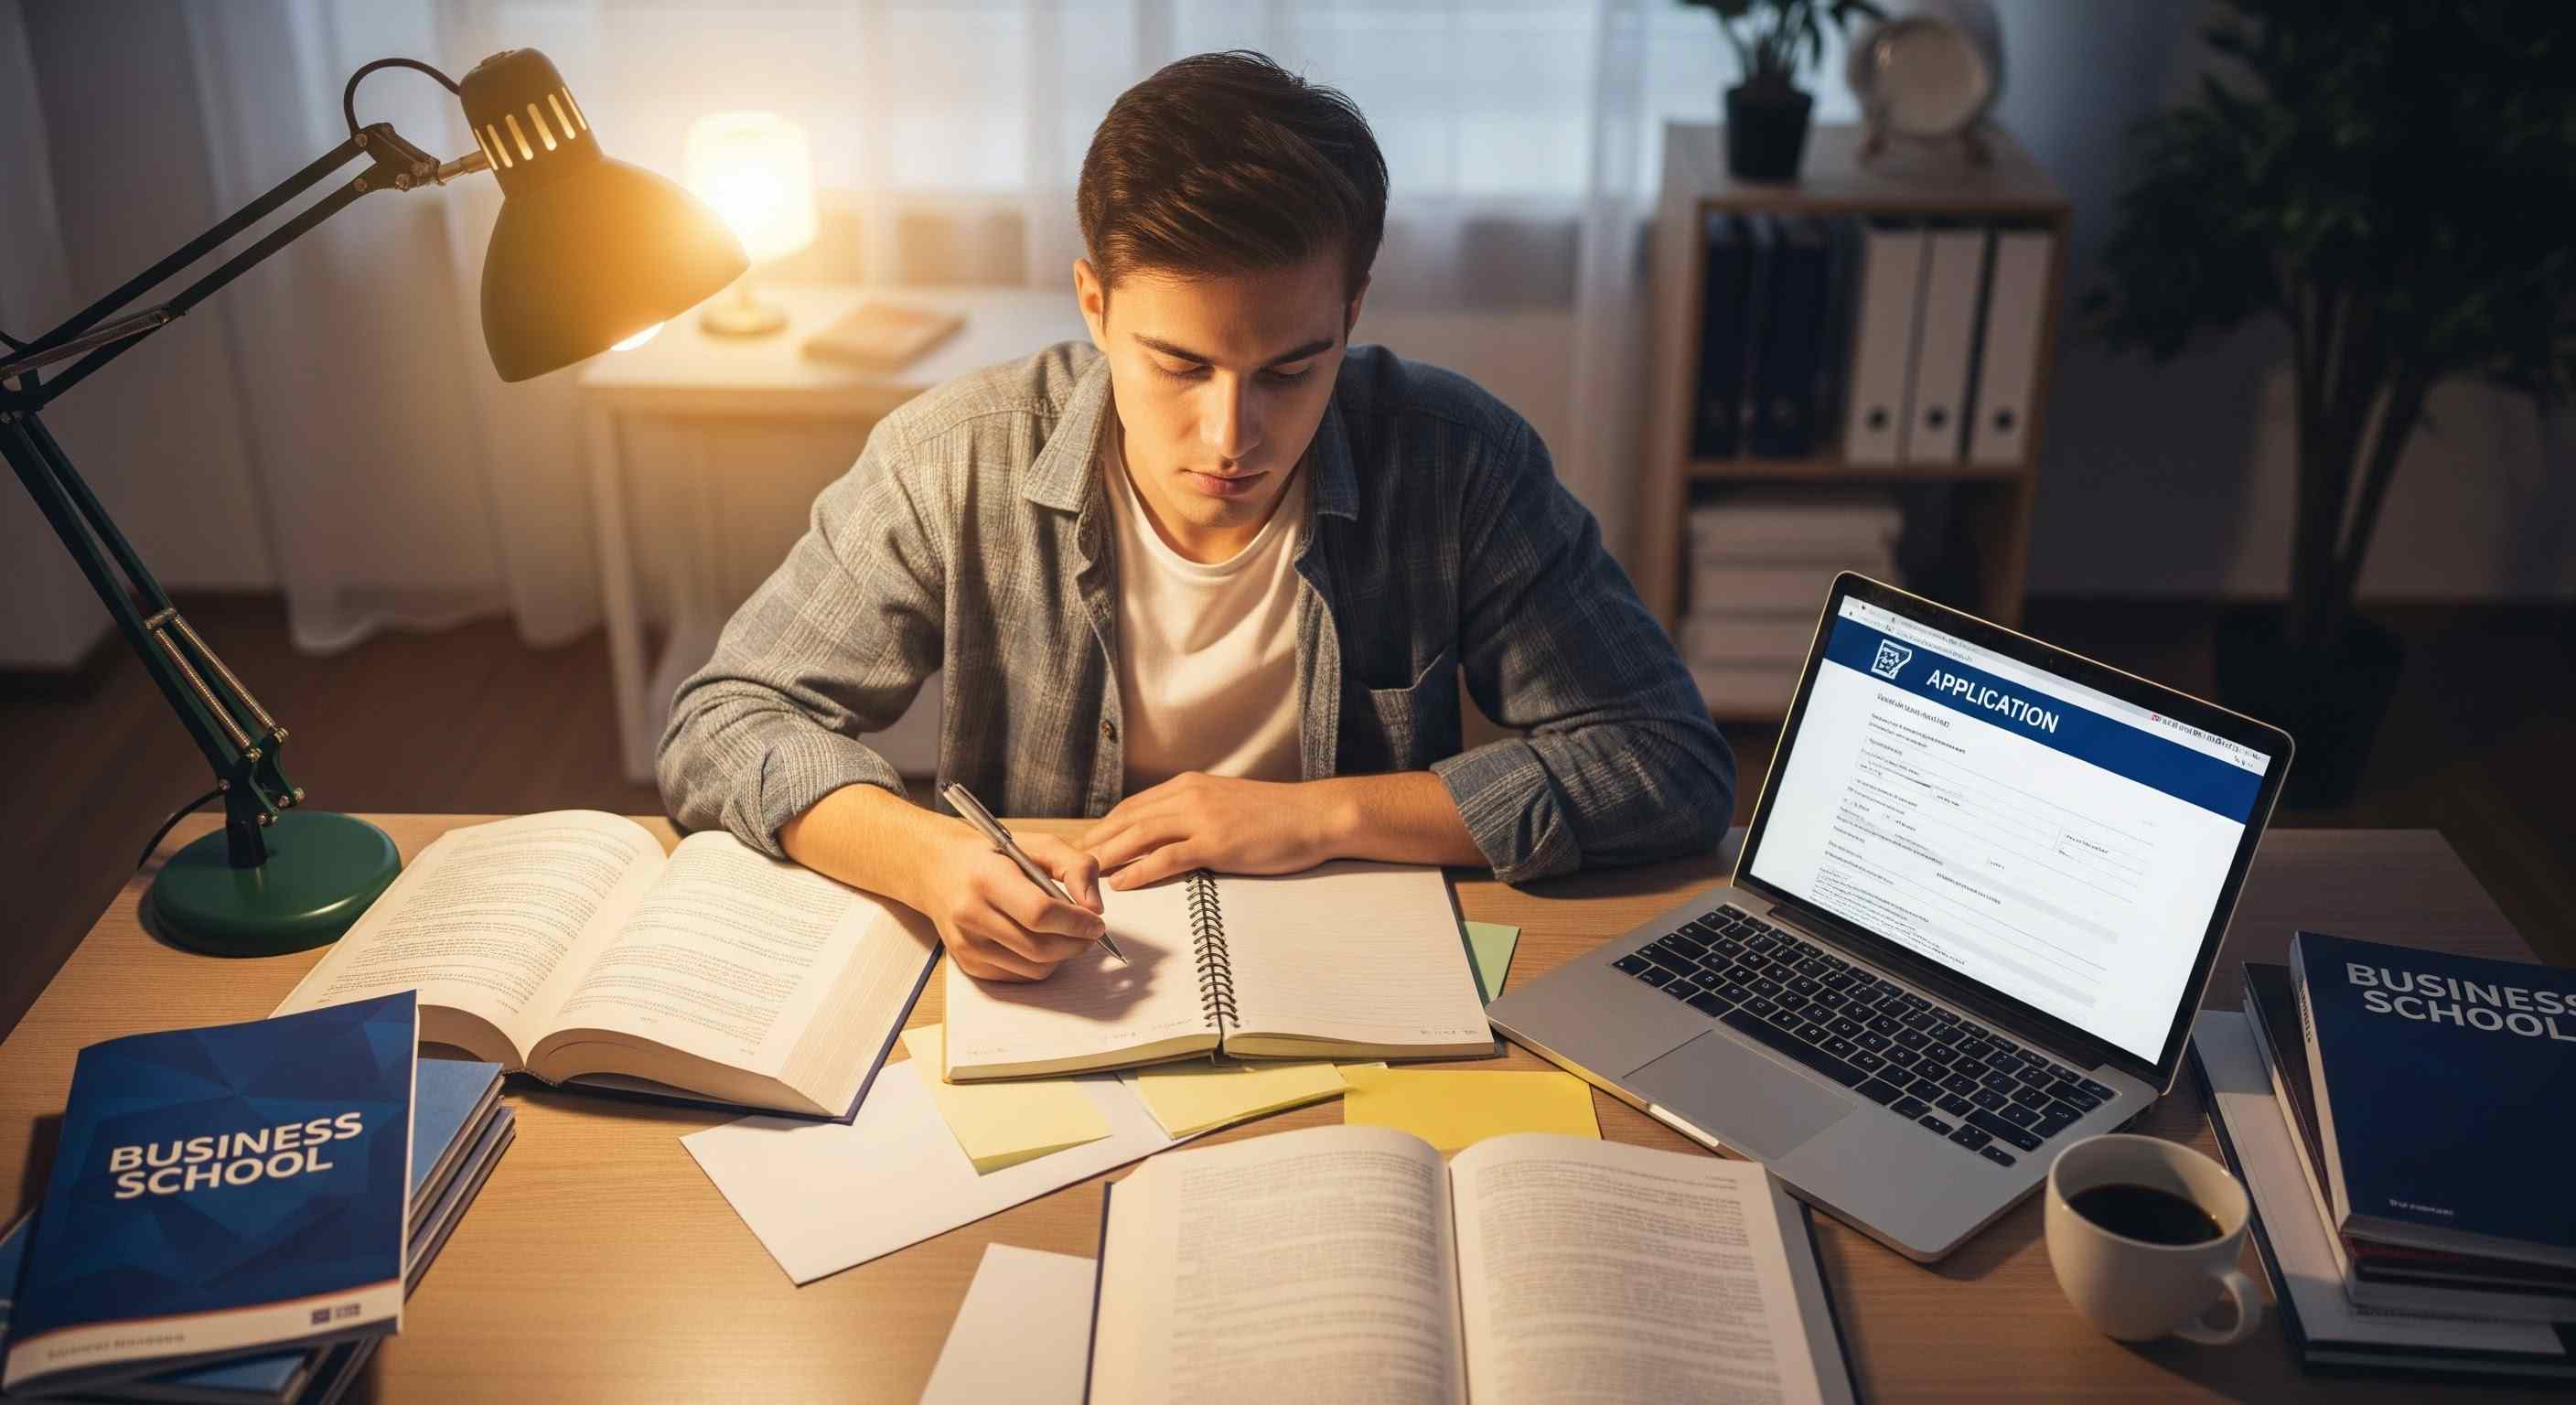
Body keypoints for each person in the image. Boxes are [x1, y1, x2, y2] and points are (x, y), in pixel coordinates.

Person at [660, 50, 1732, 983]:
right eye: (1179, 365)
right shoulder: (955, 458)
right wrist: (925, 856)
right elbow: (724, 720)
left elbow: (1669, 761)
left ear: (1350, 313)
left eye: (1289, 371)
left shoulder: (1458, 464)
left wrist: (1325, 816)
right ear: (1094, 305)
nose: (1230, 437)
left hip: (1351, 982)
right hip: (1053, 979)